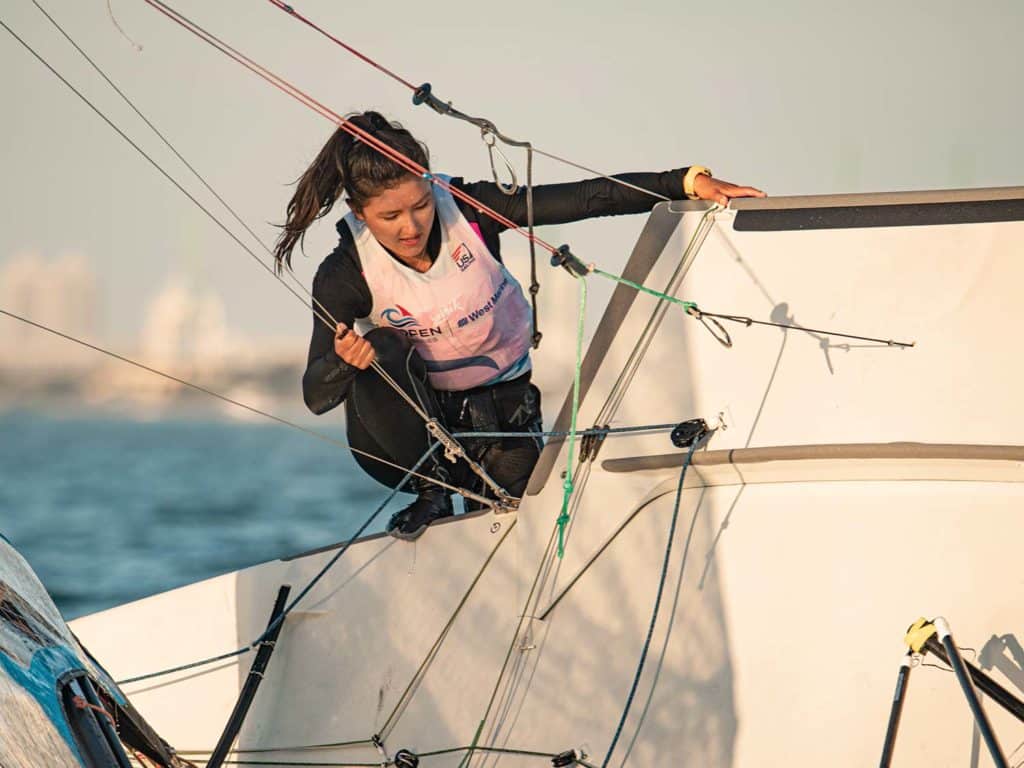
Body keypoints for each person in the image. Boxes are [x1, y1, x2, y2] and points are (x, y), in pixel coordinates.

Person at [276, 111, 763, 540]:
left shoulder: (468, 209)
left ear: (430, 188)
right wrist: (343, 363)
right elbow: (316, 396)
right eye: (390, 216)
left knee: (527, 530)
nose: (411, 227)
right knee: (379, 346)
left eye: (420, 205)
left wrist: (684, 182)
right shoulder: (345, 272)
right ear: (360, 213)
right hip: (408, 443)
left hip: (502, 421)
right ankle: (433, 492)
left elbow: (586, 199)